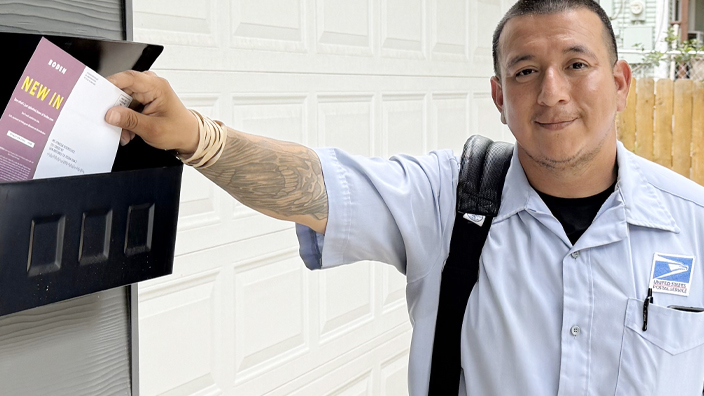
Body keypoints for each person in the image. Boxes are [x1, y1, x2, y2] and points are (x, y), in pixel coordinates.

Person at [105, 0, 704, 394]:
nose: (552, 93)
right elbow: (315, 185)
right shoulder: (450, 199)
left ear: (621, 83)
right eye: (525, 71)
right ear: (498, 96)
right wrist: (195, 138)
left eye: (577, 63)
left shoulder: (693, 226)